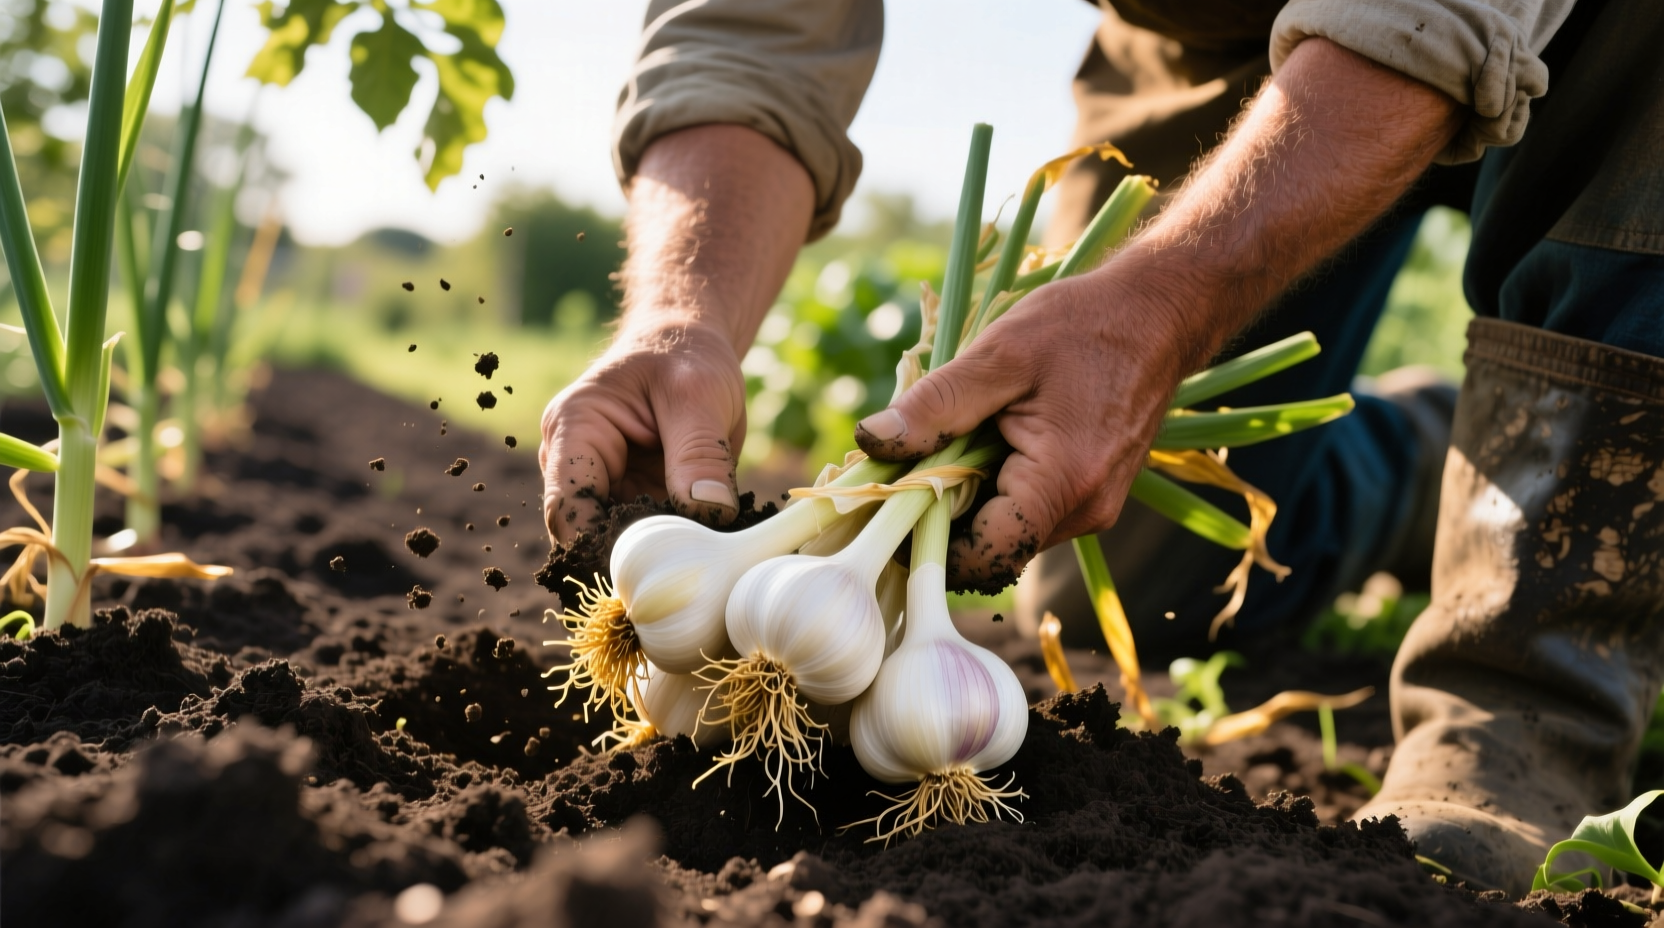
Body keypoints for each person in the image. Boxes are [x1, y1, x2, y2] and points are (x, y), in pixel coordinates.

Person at [539, 0, 1664, 896]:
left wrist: (1162, 300)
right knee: (1115, 570)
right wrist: (679, 316)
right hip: (1217, 28)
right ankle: (1449, 471)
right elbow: (749, 24)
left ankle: (1525, 702)